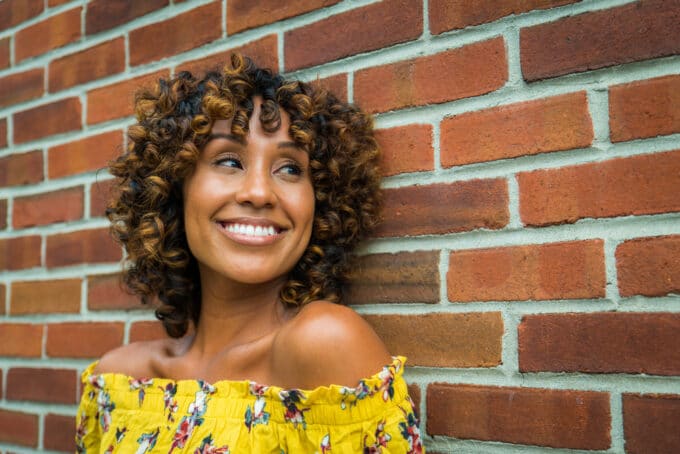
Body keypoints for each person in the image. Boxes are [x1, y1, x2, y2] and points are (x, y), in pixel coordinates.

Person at [76, 54, 424, 453]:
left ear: (321, 203)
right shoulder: (115, 382)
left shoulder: (326, 346)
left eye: (291, 169)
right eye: (228, 161)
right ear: (176, 188)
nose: (258, 192)